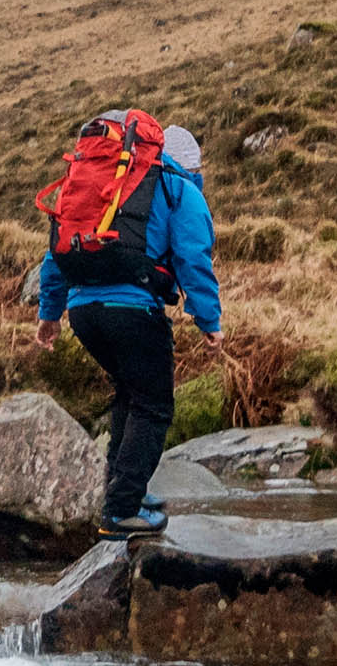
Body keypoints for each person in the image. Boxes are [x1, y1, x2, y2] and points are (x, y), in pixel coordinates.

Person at [33, 114, 222, 539]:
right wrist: (209, 320)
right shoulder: (177, 187)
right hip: (134, 310)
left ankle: (121, 491)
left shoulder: (103, 193)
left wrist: (49, 315)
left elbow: (58, 252)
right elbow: (194, 258)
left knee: (129, 394)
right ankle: (120, 511)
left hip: (84, 312)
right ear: (191, 167)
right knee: (154, 405)